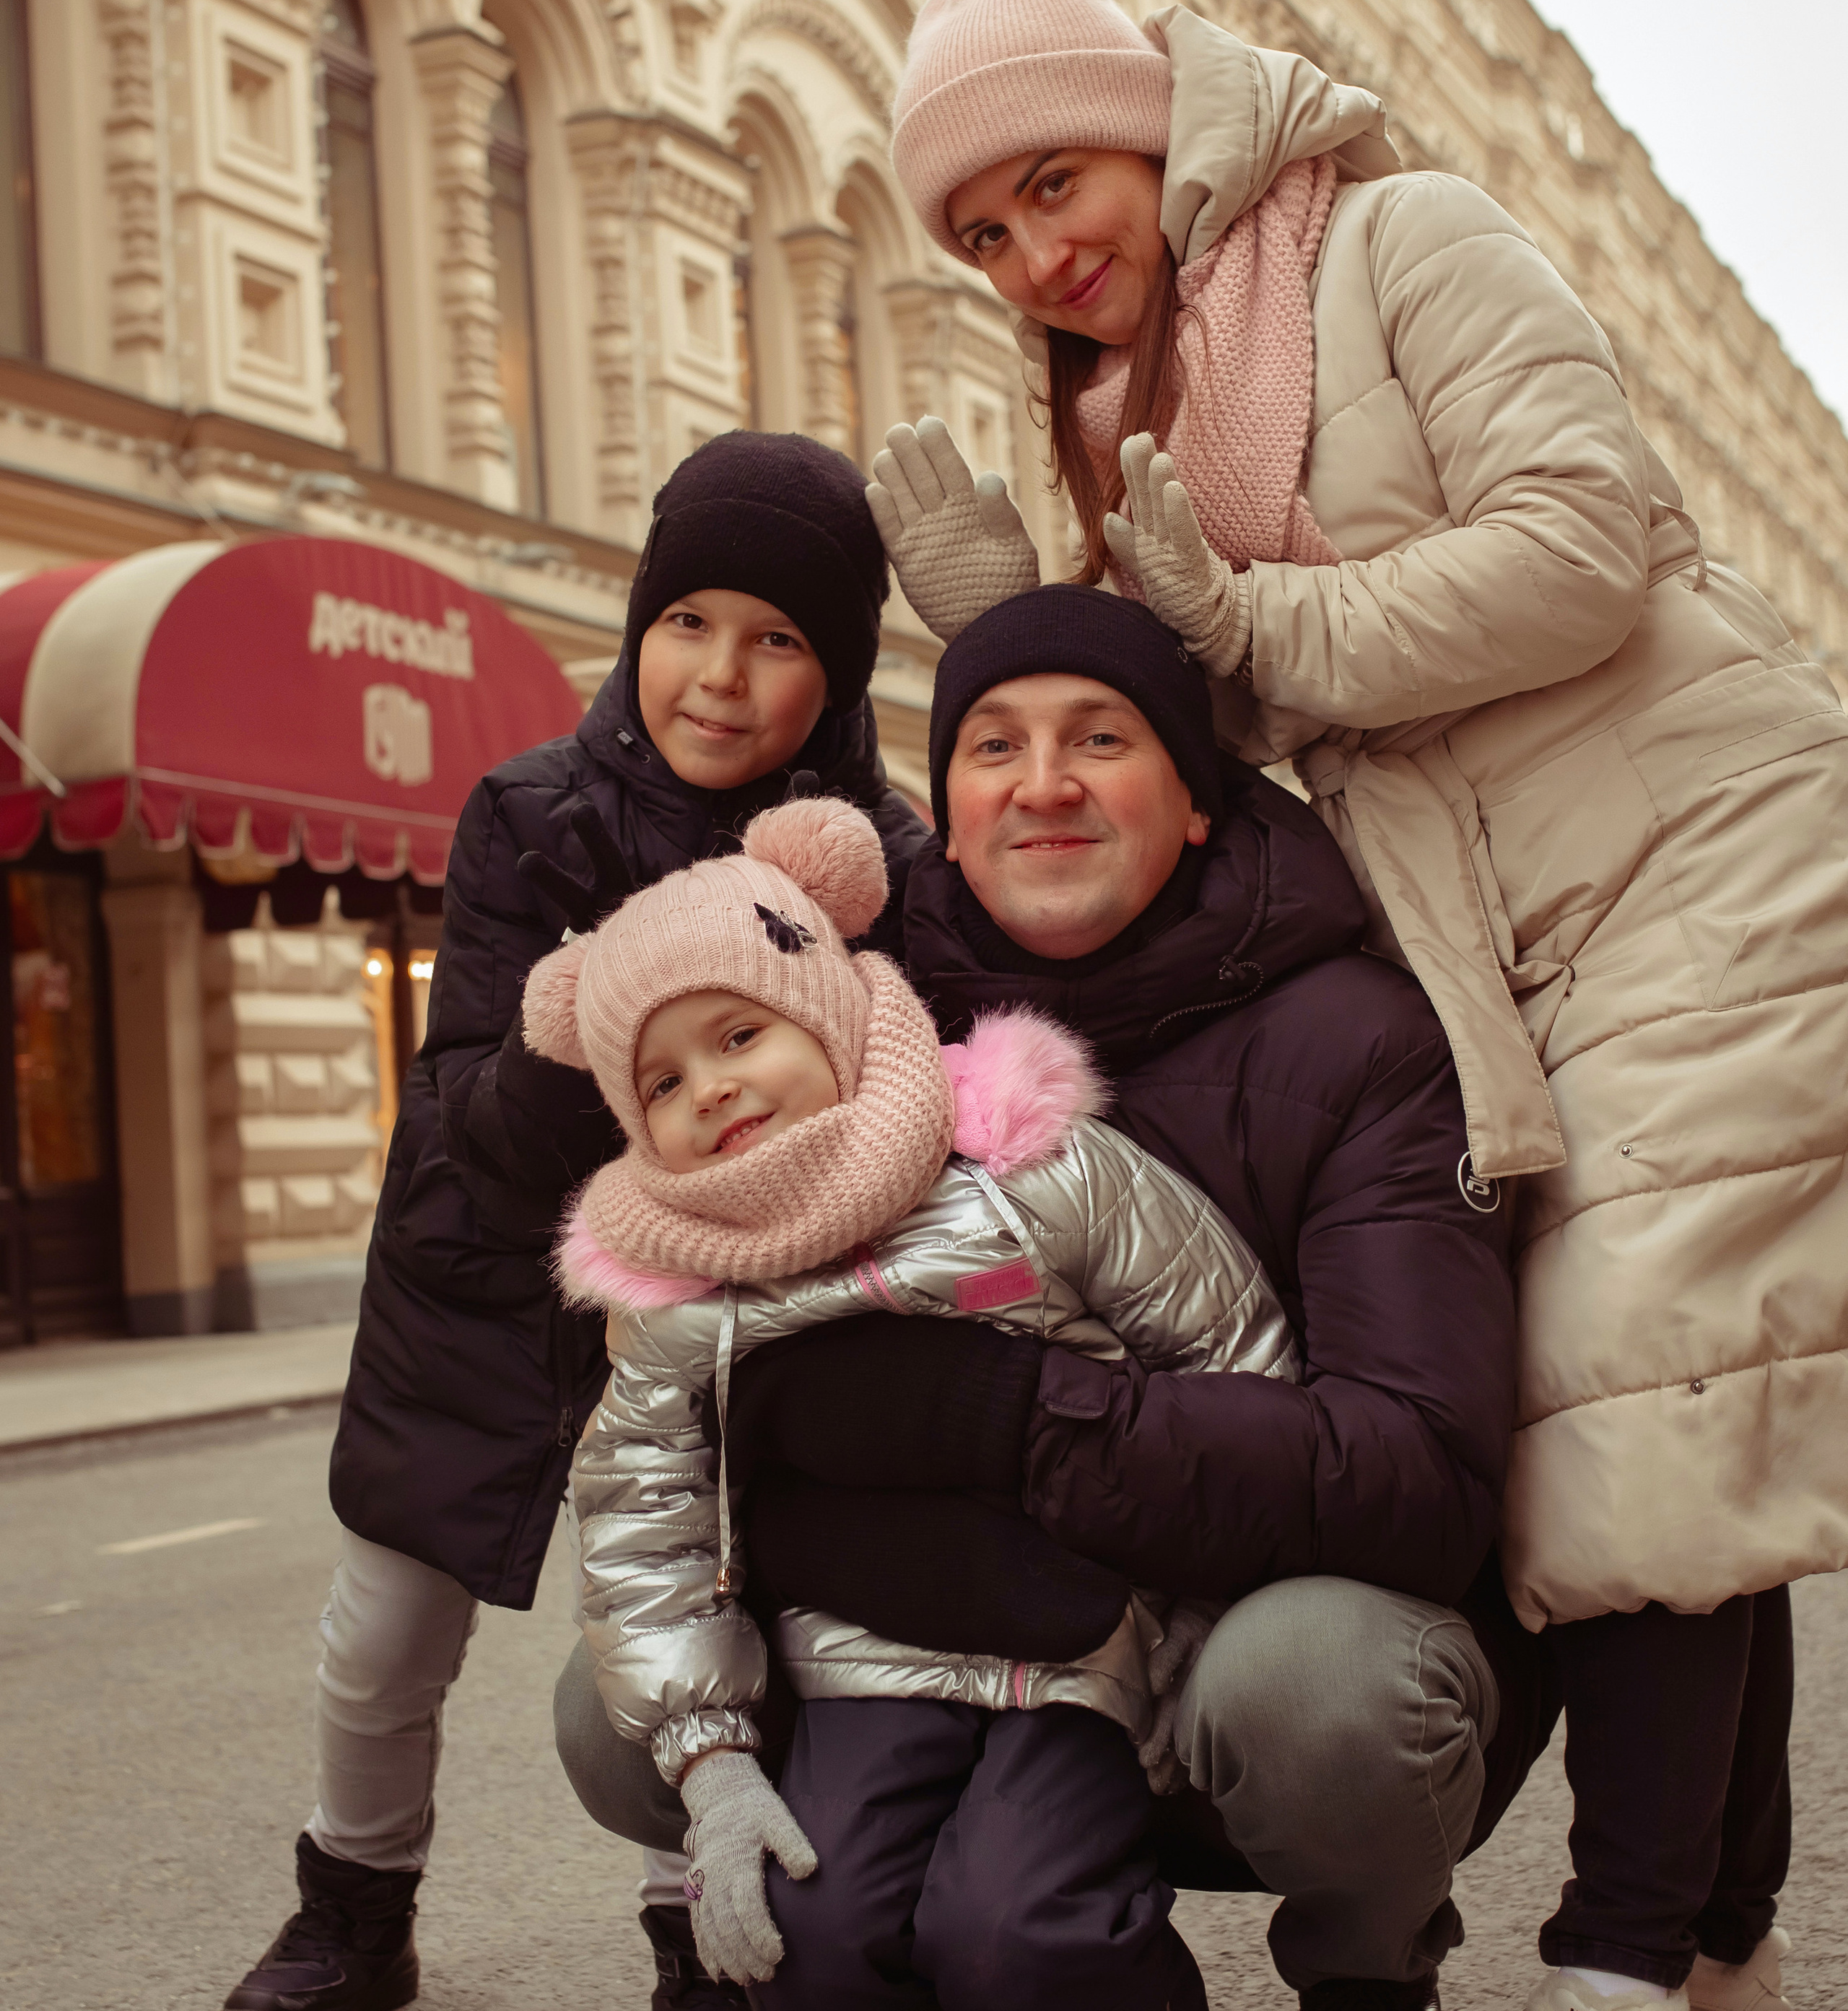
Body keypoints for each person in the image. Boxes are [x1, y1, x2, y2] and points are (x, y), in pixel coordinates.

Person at [867, 0, 1844, 2011]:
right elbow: (1202, 722)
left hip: (1690, 839)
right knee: (1643, 1398)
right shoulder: (1130, 395)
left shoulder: (1401, 235)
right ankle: (1726, 1939)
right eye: (984, 237)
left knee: (1624, 1391)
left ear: (1149, 128)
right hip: (1489, 919)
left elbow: (1583, 540)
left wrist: (1234, 625)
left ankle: (1618, 1953)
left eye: (1055, 182)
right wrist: (1023, 635)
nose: (1036, 255)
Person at [557, 587, 1544, 2011]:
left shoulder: (1334, 1044)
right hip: (873, 1641)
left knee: (1278, 1728)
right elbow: (654, 1479)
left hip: (1158, 1626)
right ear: (942, 813)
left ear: (1195, 796)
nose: (1043, 785)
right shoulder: (837, 1033)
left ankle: (1363, 1960)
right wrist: (718, 1746)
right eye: (993, 747)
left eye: (1100, 738)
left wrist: (1003, 1417)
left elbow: (1398, 1463)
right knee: (659, 1759)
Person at [225, 434, 925, 2011]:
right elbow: (468, 1102)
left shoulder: (880, 863)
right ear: (635, 627)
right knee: (384, 1630)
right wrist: (605, 1007)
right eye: (689, 623)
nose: (721, 678)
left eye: (779, 639)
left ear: (844, 668)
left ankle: (699, 1924)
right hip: (479, 1282)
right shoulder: (523, 812)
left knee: (726, 1608)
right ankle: (353, 1901)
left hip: (739, 1298)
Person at [534, 789, 1302, 2009]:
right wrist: (714, 1762)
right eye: (664, 1084)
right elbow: (640, 1520)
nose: (713, 1091)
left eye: (739, 1037)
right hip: (856, 1660)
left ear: (825, 1013)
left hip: (1081, 1644)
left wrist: (1204, 1616)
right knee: (811, 1932)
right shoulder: (684, 1291)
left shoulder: (1020, 1162)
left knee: (1021, 1933)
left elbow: (1229, 1354)